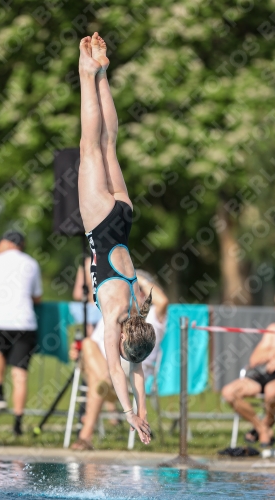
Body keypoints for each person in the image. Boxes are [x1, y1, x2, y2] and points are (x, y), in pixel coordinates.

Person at [78, 33, 155, 444]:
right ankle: (87, 72)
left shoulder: (136, 308)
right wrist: (130, 414)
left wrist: (143, 410)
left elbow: (136, 366)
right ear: (125, 338)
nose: (122, 354)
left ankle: (104, 73)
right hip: (101, 222)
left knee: (109, 144)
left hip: (124, 216)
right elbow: (116, 370)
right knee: (89, 145)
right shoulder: (113, 321)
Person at [71, 271, 168, 450]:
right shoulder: (118, 314)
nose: (134, 296)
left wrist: (137, 278)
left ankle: (85, 436)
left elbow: (163, 300)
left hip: (130, 369)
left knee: (97, 377)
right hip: (104, 364)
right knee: (88, 346)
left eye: (139, 293)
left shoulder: (153, 315)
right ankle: (105, 383)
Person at [0, 230, 42, 436]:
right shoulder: (32, 263)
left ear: (8, 243)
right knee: (20, 373)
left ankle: (0, 394)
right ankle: (17, 423)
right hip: (25, 322)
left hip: (0, 320)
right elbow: (37, 297)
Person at [222, 317, 275, 447]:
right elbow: (254, 360)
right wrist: (272, 354)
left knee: (271, 391)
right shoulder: (272, 329)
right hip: (265, 374)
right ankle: (262, 429)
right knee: (229, 392)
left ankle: (267, 423)